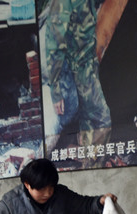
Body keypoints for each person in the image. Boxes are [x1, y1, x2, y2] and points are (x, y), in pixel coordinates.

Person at [44, 0, 112, 148]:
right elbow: (54, 47)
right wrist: (56, 91)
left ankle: (88, 157)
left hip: (88, 64)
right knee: (102, 119)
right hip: (76, 70)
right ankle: (93, 164)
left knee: (88, 120)